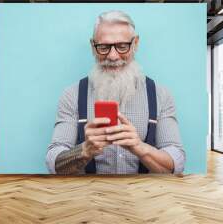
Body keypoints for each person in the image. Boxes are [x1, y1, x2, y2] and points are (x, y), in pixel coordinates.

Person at [46, 10, 185, 174]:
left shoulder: (160, 95)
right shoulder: (72, 95)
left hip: (143, 196)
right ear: (93, 46)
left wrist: (140, 148)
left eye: (122, 46)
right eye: (103, 47)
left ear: (135, 43)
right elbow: (53, 162)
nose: (112, 56)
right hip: (88, 197)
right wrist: (84, 151)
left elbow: (177, 163)